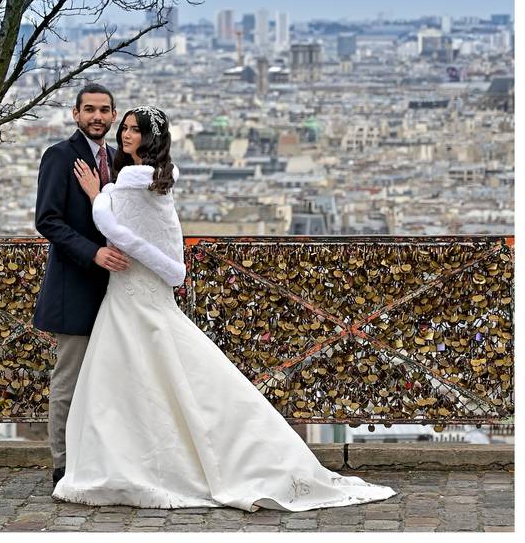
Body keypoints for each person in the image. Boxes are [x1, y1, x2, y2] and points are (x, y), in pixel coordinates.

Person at [51, 105, 396, 511]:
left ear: (150, 138)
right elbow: (159, 245)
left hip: (128, 294)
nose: (125, 135)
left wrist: (96, 195)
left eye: (134, 130)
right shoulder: (159, 181)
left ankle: (128, 464)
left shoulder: (129, 179)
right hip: (145, 293)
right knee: (172, 381)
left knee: (124, 386)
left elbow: (113, 228)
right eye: (124, 128)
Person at [33, 83, 130, 489]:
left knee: (110, 380)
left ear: (113, 115)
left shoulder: (115, 160)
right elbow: (47, 220)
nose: (96, 116)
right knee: (69, 380)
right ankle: (63, 464)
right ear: (75, 114)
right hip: (74, 284)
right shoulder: (59, 156)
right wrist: (93, 253)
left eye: (104, 110)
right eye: (89, 109)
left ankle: (98, 458)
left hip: (115, 288)